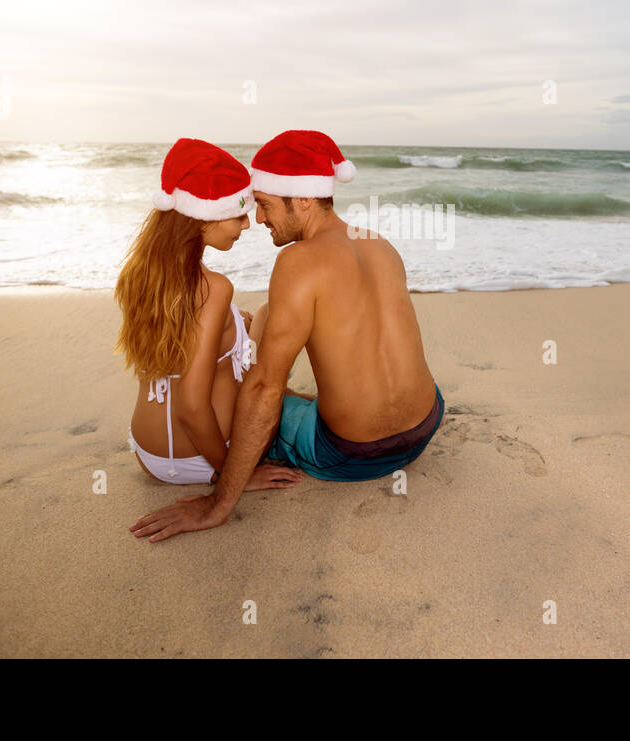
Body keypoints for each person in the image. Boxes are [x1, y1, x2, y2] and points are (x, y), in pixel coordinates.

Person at [131, 130, 444, 542]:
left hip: (351, 456)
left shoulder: (297, 261)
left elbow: (264, 390)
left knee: (256, 401)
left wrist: (219, 502)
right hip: (426, 424)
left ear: (303, 199)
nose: (259, 219)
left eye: (263, 205)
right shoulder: (377, 243)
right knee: (269, 323)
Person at [115, 138, 301, 498]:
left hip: (149, 454)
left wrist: (230, 326)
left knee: (253, 320)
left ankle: (243, 336)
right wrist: (233, 473)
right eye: (238, 215)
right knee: (269, 319)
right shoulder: (214, 288)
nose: (247, 225)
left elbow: (183, 336)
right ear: (205, 218)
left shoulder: (139, 275)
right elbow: (192, 407)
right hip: (208, 457)